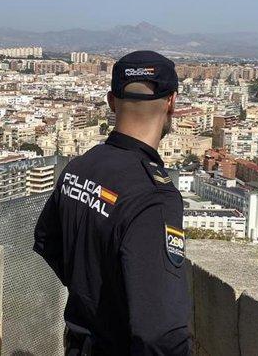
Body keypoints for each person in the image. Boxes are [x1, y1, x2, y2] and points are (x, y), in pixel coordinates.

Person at [34, 50, 193, 355]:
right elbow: (160, 334)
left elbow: (47, 240)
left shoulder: (80, 167)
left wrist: (91, 293)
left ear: (111, 101)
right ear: (172, 102)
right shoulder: (154, 198)